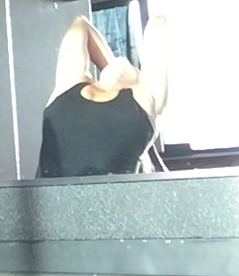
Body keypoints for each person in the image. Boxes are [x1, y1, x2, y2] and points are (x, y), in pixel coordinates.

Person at [36, 14, 171, 179]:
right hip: (53, 195)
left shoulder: (143, 100)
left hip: (103, 196)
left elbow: (159, 24)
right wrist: (110, 67)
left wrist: (120, 78)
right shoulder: (69, 87)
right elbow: (80, 24)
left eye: (131, 66)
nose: (122, 60)